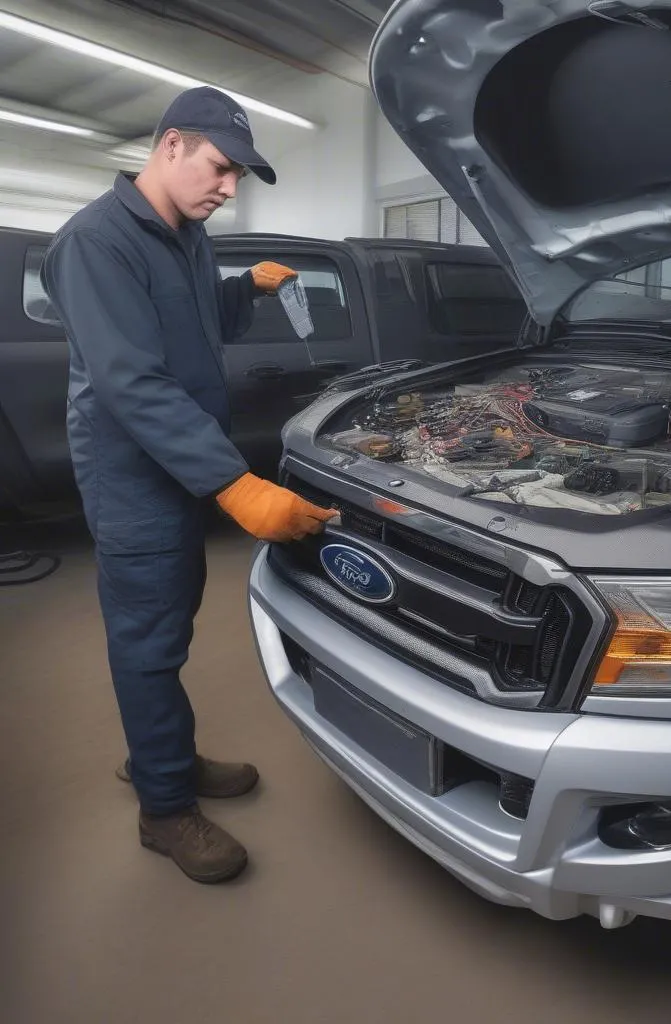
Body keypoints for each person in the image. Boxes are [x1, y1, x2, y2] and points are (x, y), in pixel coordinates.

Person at [40, 86, 336, 885]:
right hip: (136, 473)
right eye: (219, 167)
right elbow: (133, 382)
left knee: (172, 617)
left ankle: (160, 755)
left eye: (238, 174)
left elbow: (203, 322)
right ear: (171, 144)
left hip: (182, 464)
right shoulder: (95, 244)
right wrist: (235, 484)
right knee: (149, 639)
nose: (228, 188)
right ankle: (164, 808)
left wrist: (251, 290)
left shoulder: (187, 234)